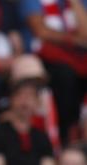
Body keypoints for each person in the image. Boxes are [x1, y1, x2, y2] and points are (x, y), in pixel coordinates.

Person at [20, 0, 87, 144]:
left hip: (76, 57)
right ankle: (67, 134)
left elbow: (86, 34)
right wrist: (72, 40)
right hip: (44, 57)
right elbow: (41, 31)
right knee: (66, 76)